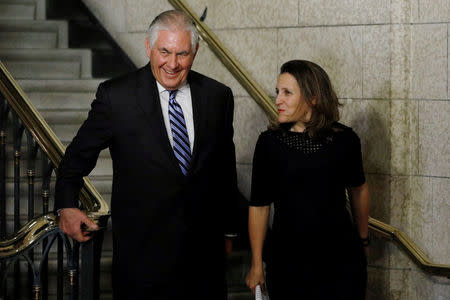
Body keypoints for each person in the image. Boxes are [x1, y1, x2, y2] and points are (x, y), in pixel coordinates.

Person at [55, 10, 239, 300]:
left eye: (182, 54)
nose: (173, 63)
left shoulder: (218, 96)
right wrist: (66, 206)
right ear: (148, 47)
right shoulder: (117, 97)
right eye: (164, 51)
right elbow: (75, 158)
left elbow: (224, 170)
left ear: (196, 52)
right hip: (142, 263)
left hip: (204, 263)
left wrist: (229, 229)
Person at [245, 60, 370, 299]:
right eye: (277, 92)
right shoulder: (269, 143)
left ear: (313, 98)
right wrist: (256, 263)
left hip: (341, 261)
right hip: (287, 263)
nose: (278, 100)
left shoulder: (345, 140)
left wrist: (363, 240)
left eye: (287, 93)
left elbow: (359, 188)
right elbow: (259, 206)